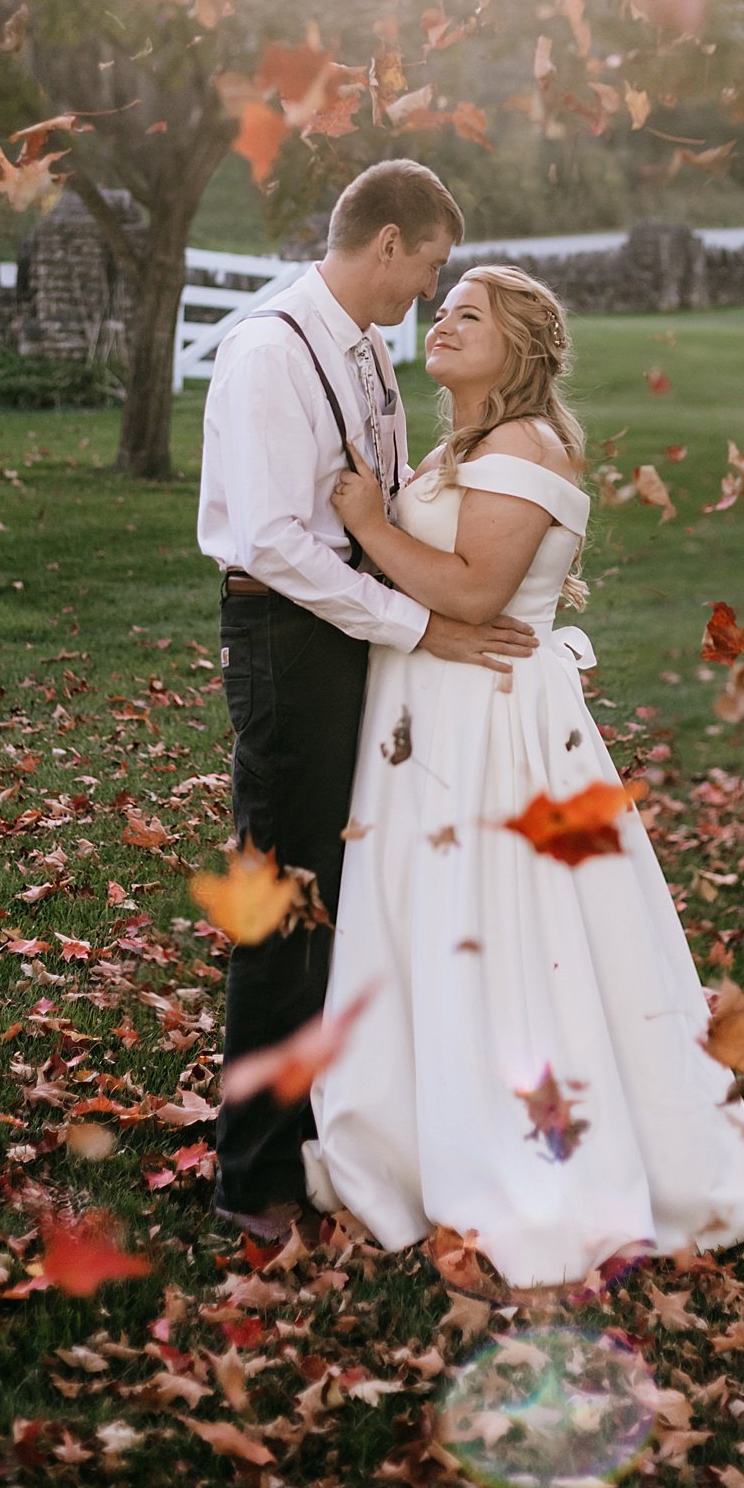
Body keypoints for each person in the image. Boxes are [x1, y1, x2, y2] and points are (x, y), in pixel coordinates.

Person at [300, 263, 744, 1289]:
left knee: (507, 934)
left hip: (491, 725)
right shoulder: (467, 446)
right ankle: (418, 1135)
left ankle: (530, 1160)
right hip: (432, 717)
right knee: (433, 919)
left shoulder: (524, 444)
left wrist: (373, 525)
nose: (444, 321)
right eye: (443, 309)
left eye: (469, 314)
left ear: (518, 347)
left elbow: (476, 594)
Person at [196, 160, 539, 1239]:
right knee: (286, 898)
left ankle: (315, 1128)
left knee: (341, 888)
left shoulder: (365, 351)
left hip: (348, 635)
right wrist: (419, 624)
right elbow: (271, 542)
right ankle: (250, 1174)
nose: (427, 292)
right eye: (428, 266)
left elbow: (374, 504)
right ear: (386, 243)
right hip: (287, 637)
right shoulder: (269, 353)